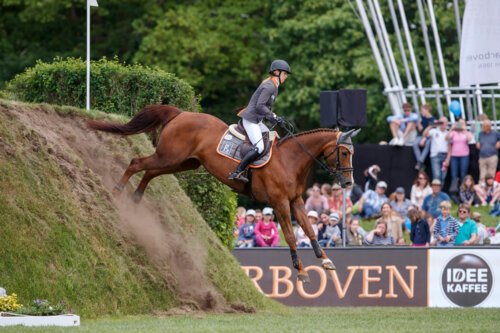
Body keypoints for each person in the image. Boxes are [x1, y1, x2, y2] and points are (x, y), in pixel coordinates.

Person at [228, 59, 291, 182]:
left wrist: (274, 117)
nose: (286, 77)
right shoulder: (269, 86)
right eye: (285, 74)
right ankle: (237, 171)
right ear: (277, 72)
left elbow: (265, 108)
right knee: (260, 147)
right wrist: (273, 117)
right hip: (251, 120)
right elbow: (259, 106)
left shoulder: (274, 85)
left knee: (271, 137)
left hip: (257, 120)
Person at [446, 118, 473, 185]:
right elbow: (447, 138)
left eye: (462, 123)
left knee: (463, 174)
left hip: (464, 156)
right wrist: (451, 129)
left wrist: (464, 129)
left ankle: (462, 190)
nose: (461, 125)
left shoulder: (467, 132)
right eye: (459, 123)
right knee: (454, 174)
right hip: (454, 156)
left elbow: (469, 139)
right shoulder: (454, 132)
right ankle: (454, 190)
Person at [423, 117, 449, 186]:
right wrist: (431, 125)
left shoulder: (448, 133)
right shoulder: (434, 131)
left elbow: (450, 147)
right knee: (437, 176)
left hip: (445, 156)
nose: (443, 124)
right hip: (435, 156)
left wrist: (448, 158)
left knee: (443, 177)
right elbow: (425, 134)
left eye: (444, 122)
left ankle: (439, 193)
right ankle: (436, 193)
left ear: (447, 124)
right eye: (441, 122)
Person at [413, 104, 436, 170]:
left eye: (422, 110)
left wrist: (429, 127)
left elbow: (439, 123)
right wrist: (418, 126)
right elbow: (420, 130)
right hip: (421, 136)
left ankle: (420, 162)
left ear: (427, 110)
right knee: (415, 144)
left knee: (428, 143)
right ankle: (420, 162)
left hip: (428, 137)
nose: (421, 112)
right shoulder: (421, 119)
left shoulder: (433, 119)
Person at [476, 119, 500, 183]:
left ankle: (490, 191)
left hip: (492, 156)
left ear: (488, 126)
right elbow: (478, 140)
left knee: (491, 175)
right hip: (482, 157)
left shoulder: (495, 134)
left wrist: (499, 142)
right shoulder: (480, 134)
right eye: (482, 125)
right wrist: (478, 142)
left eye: (484, 126)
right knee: (482, 176)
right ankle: (481, 191)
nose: (482, 127)